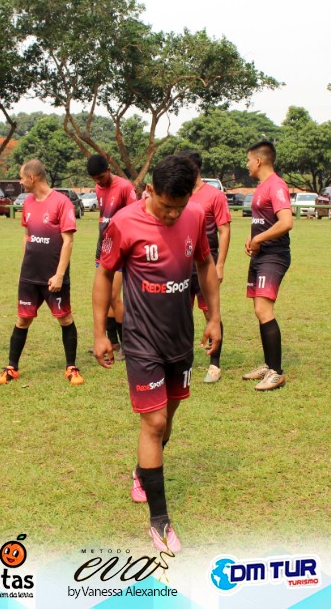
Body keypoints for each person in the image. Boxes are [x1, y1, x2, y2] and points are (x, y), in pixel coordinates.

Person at [94, 154, 221, 554]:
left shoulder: (195, 216)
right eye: (166, 206)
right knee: (155, 421)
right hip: (141, 339)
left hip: (180, 338)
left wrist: (214, 317)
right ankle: (160, 521)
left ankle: (141, 471)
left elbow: (205, 265)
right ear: (149, 190)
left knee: (168, 419)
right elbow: (104, 273)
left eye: (179, 207)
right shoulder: (124, 222)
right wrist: (100, 333)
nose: (172, 215)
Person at [0, 159, 83, 386]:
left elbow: (68, 241)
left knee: (64, 318)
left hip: (53, 276)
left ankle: (71, 368)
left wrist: (59, 275)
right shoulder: (27, 203)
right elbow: (27, 237)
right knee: (23, 319)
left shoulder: (62, 202)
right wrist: (23, 269)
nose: (20, 181)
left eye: (21, 177)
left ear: (32, 178)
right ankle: (12, 368)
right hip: (29, 276)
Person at [241, 139, 293, 391]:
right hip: (260, 255)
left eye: (249, 160)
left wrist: (259, 239)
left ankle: (276, 372)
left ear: (259, 161)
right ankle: (268, 364)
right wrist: (252, 237)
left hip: (274, 255)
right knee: (259, 310)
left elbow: (286, 222)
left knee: (264, 310)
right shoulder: (262, 186)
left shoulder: (276, 185)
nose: (247, 164)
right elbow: (264, 220)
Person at [177, 150, 231, 383]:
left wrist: (220, 265)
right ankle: (182, 360)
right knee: (180, 314)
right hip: (180, 263)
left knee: (210, 312)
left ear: (195, 169)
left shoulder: (214, 195)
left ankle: (214, 365)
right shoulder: (178, 193)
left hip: (205, 263)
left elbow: (224, 230)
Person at [88, 154, 137, 359]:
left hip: (120, 247)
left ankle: (127, 345)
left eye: (101, 177)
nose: (99, 182)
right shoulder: (99, 188)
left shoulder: (125, 187)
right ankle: (112, 341)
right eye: (95, 179)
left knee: (114, 295)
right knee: (105, 296)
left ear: (109, 170)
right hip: (103, 245)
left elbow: (136, 214)